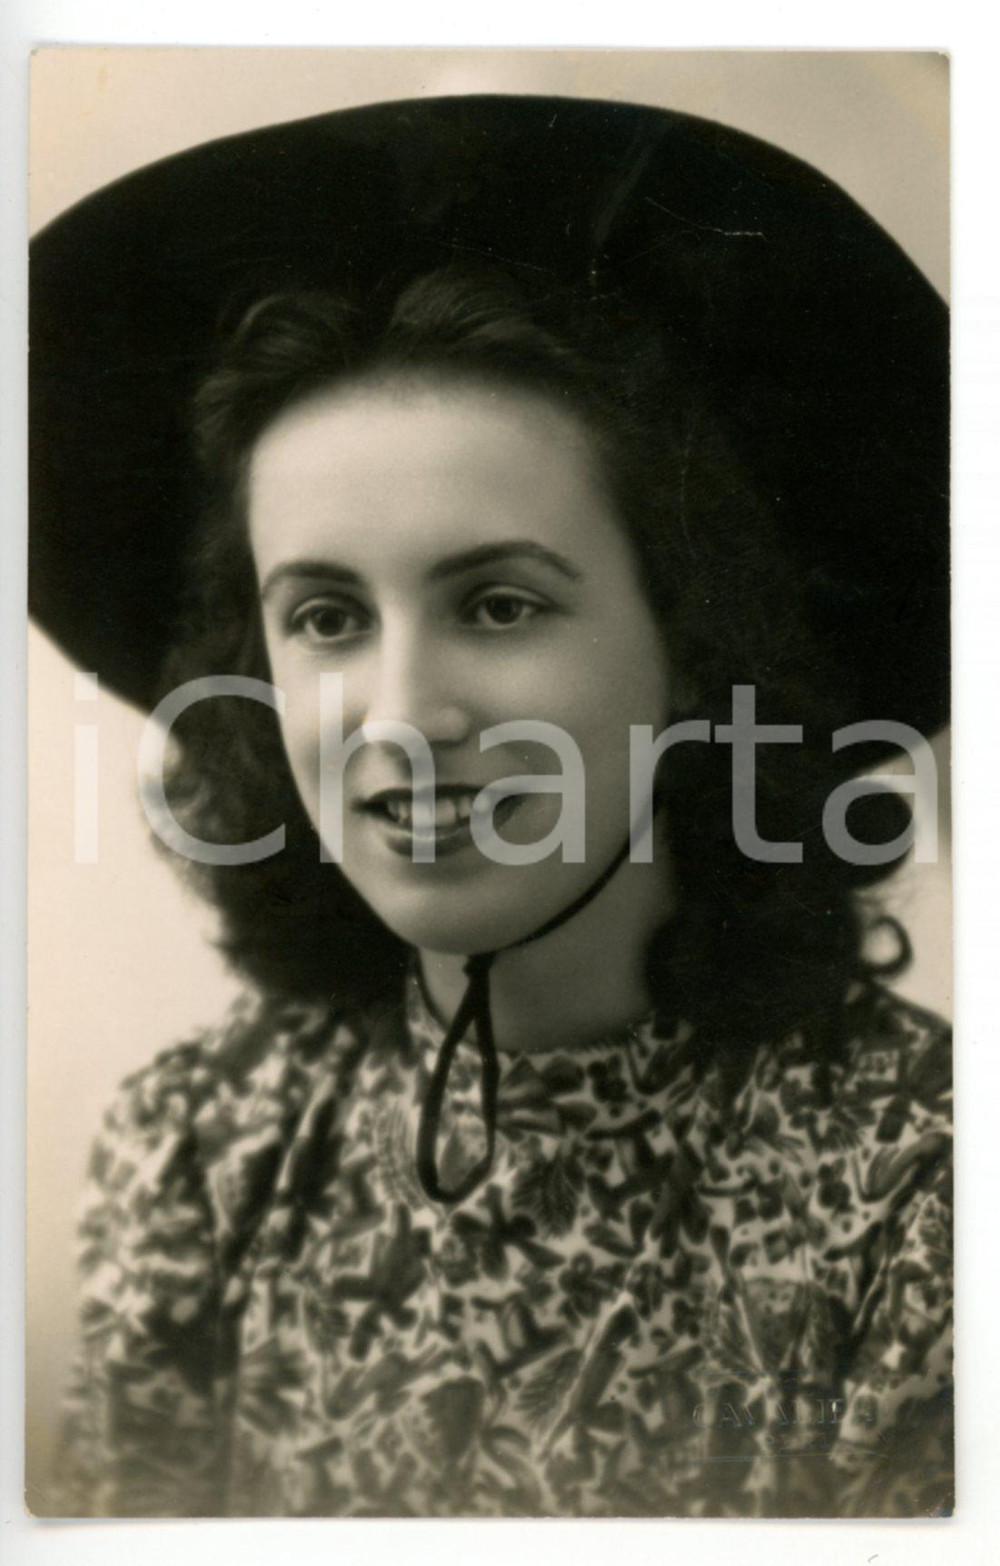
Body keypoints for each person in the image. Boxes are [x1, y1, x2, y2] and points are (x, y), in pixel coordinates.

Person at [31, 95, 952, 1519]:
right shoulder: (204, 1142)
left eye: (501, 602)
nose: (400, 713)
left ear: (699, 647)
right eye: (327, 614)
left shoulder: (929, 1191)